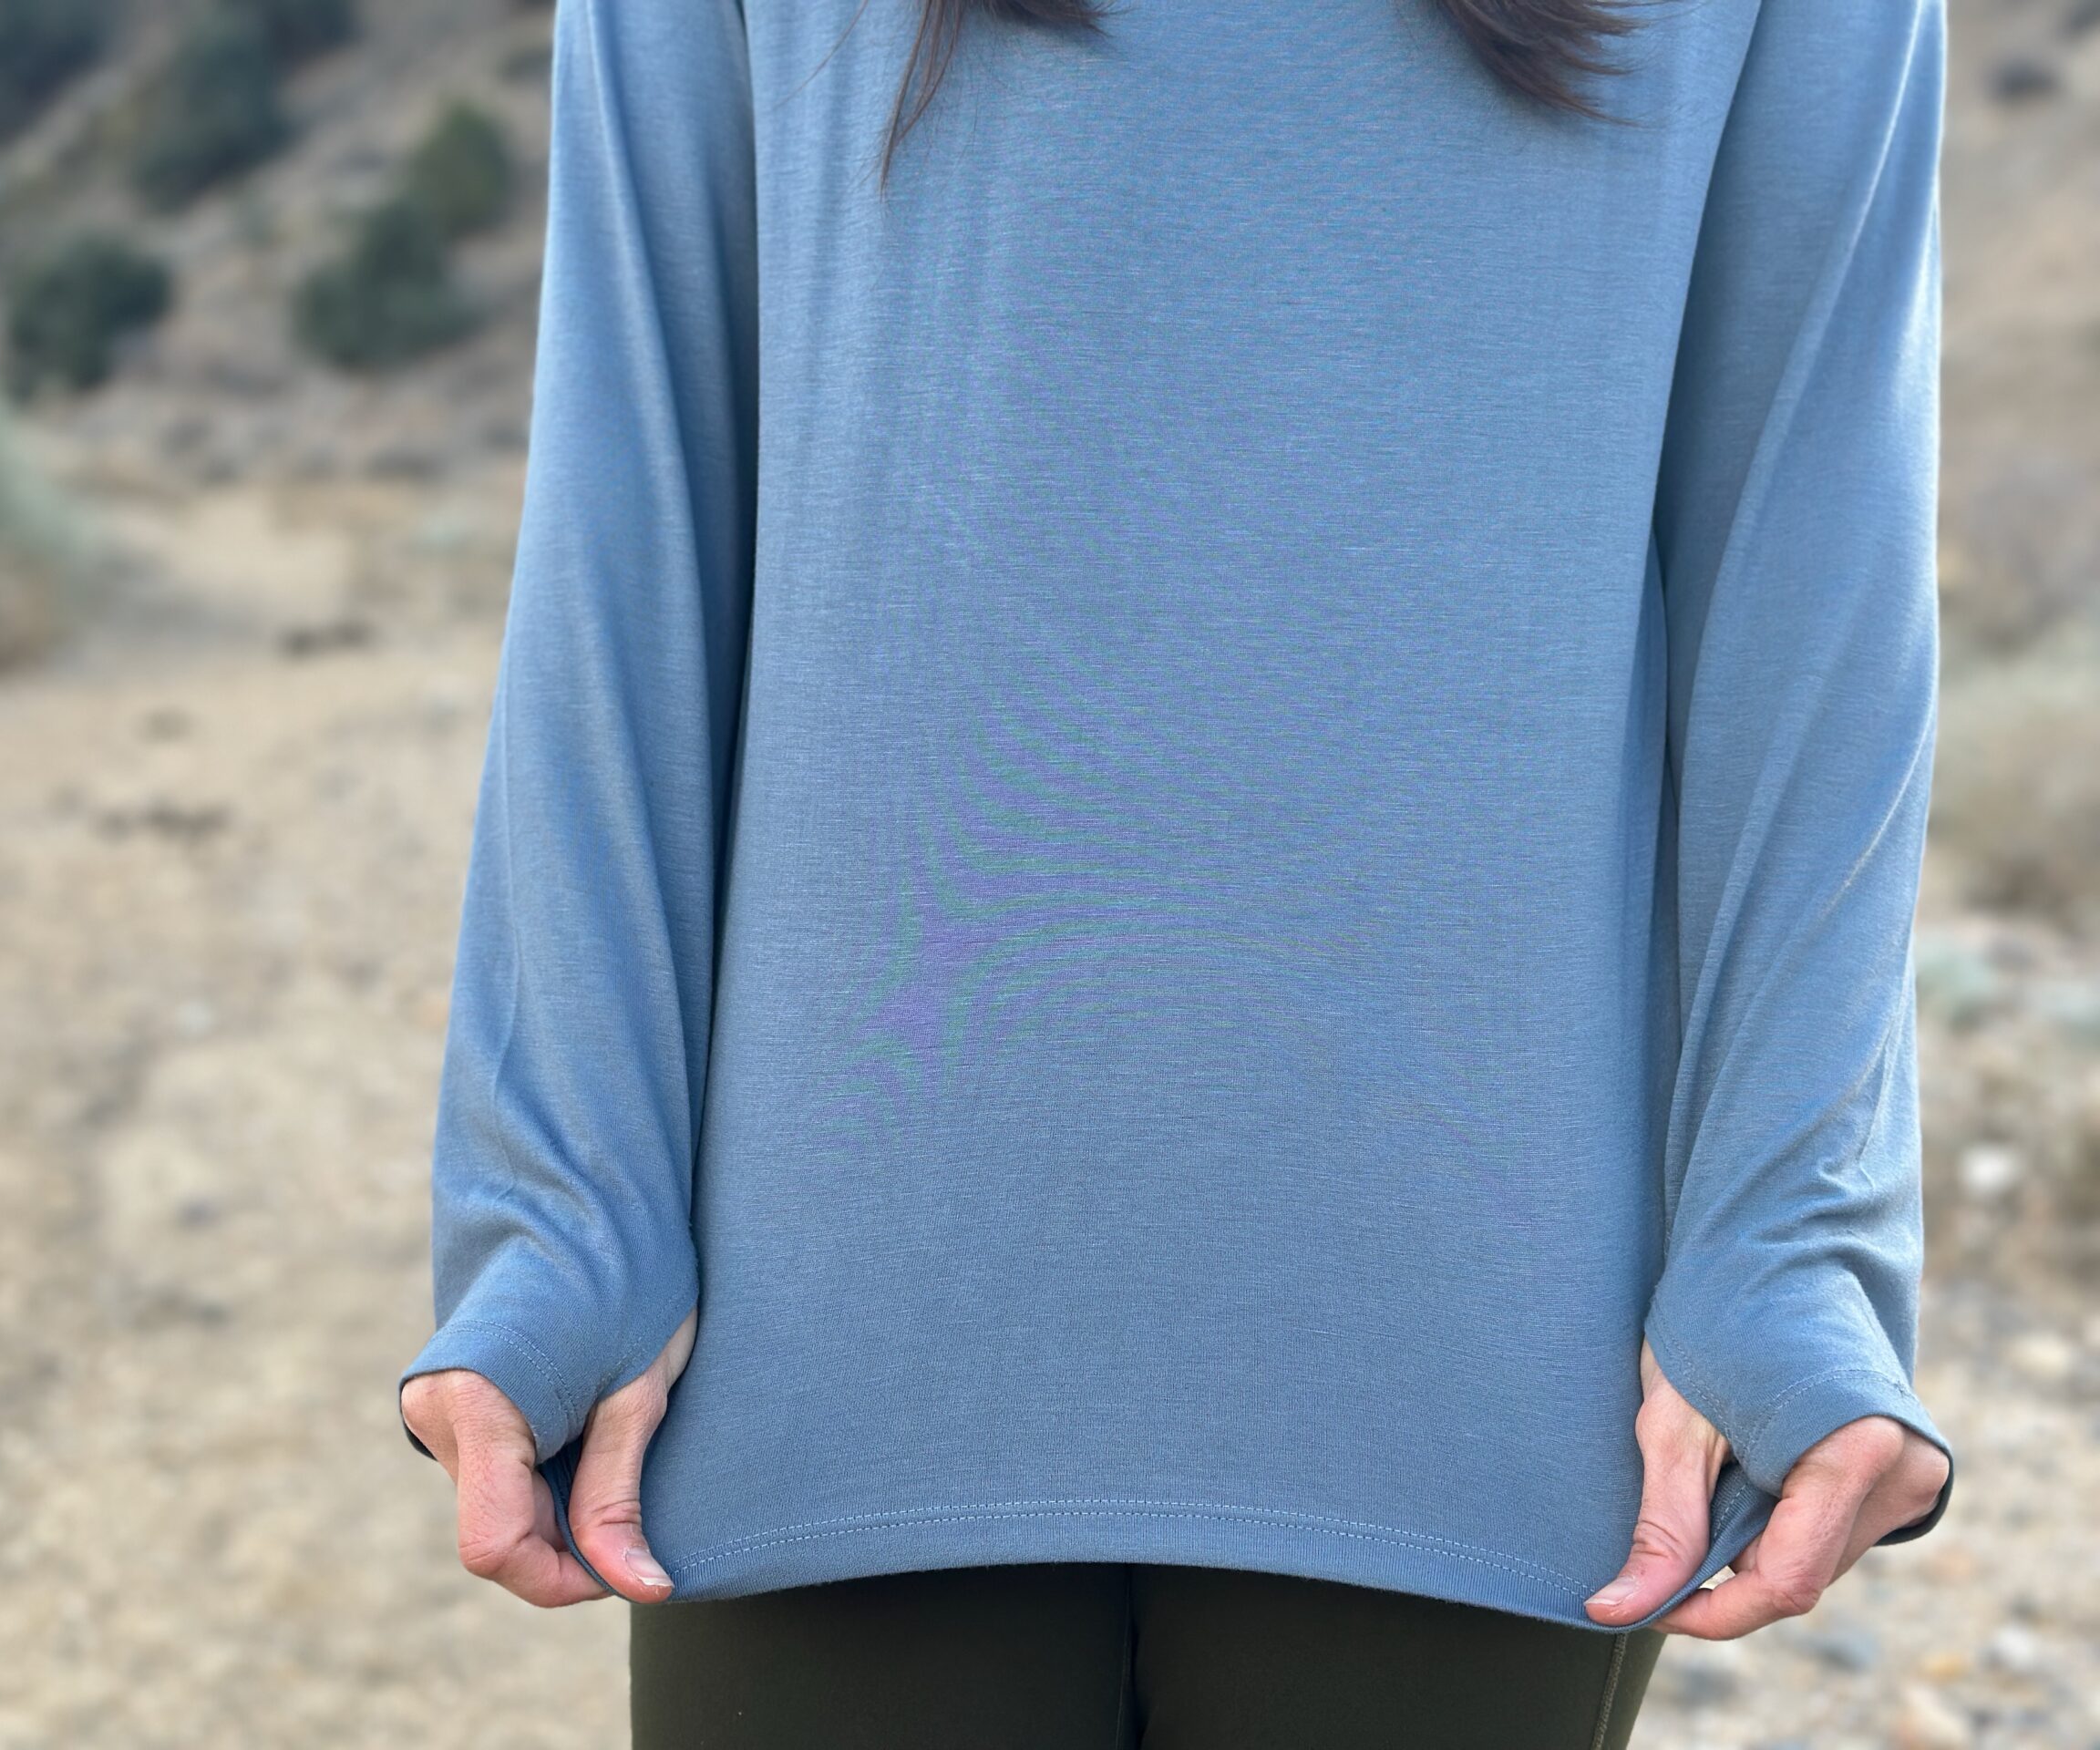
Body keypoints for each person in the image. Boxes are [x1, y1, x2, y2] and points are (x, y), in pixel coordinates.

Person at [396, 0, 1959, 1741]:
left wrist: (1793, 1240)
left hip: (1482, 1353)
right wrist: (564, 1205)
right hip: (824, 1329)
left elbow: (1813, 565)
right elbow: (633, 501)